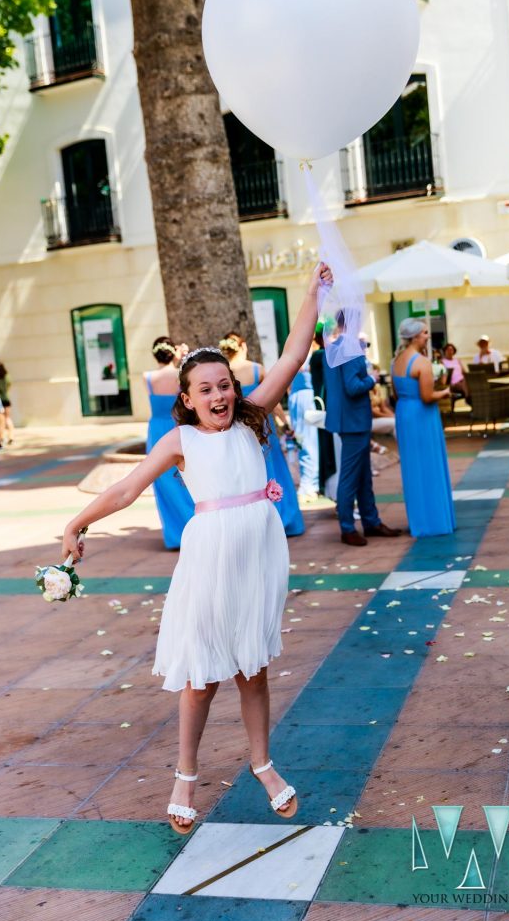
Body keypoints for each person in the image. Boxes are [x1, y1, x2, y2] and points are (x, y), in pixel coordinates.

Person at [61, 263, 334, 835]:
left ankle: (262, 764)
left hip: (257, 562)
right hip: (210, 565)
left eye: (224, 385)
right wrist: (77, 523)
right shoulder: (179, 440)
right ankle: (185, 776)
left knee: (252, 671)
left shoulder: (250, 421)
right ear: (185, 399)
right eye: (205, 389)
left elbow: (291, 353)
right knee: (202, 679)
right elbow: (125, 488)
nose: (219, 395)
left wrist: (311, 294)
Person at [323, 311, 402, 546]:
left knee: (363, 474)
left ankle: (371, 520)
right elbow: (353, 386)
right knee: (350, 476)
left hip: (346, 419)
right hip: (354, 420)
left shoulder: (334, 347)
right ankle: (347, 526)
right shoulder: (350, 349)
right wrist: (372, 379)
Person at [219, 331, 304, 536]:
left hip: (237, 427)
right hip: (262, 425)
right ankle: (283, 517)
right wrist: (284, 423)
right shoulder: (257, 370)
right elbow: (273, 401)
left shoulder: (224, 373)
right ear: (244, 346)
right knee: (272, 466)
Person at [391, 318, 455, 538]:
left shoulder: (396, 360)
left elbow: (396, 394)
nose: (428, 336)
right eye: (425, 332)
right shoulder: (422, 362)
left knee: (413, 468)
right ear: (416, 336)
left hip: (404, 413)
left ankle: (419, 520)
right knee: (429, 465)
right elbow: (427, 397)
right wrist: (445, 393)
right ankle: (434, 521)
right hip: (422, 415)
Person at [144, 336, 195, 549]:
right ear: (172, 352)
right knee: (186, 479)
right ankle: (194, 526)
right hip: (177, 427)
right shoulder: (180, 374)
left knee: (164, 482)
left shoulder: (147, 377)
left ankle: (176, 535)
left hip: (156, 431)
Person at [288, 346, 320, 501]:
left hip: (310, 401)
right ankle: (309, 484)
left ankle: (312, 482)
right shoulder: (295, 355)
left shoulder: (314, 354)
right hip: (302, 401)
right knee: (304, 441)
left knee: (311, 442)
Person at [309, 327, 336, 495]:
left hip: (326, 408)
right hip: (327, 409)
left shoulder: (320, 356)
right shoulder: (321, 356)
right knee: (330, 451)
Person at [0, 361, 14, 445]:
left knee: (0, 420)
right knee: (8, 418)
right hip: (6, 399)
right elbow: (9, 386)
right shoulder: (7, 376)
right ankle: (11, 436)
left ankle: (1, 437)